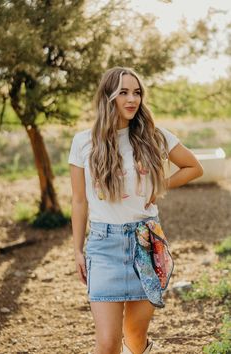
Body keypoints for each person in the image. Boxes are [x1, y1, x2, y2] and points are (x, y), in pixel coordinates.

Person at [68, 66, 203, 354]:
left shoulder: (154, 136)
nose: (132, 99)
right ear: (108, 96)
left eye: (137, 92)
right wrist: (78, 250)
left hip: (146, 243)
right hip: (103, 247)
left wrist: (160, 185)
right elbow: (79, 201)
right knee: (107, 344)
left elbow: (194, 167)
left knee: (135, 336)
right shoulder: (83, 142)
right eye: (123, 92)